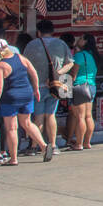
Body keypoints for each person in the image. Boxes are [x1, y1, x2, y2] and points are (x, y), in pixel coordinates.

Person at [0, 37, 49, 167]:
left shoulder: (0, 66)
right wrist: (36, 88)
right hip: (26, 94)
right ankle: (44, 146)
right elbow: (33, 72)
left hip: (10, 97)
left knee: (11, 128)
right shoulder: (20, 57)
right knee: (27, 123)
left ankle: (14, 158)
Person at [25, 19, 74, 158]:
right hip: (55, 86)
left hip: (37, 86)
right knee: (51, 115)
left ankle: (35, 146)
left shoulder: (31, 45)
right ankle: (53, 145)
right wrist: (56, 74)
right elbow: (70, 63)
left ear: (38, 32)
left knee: (38, 117)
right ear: (53, 31)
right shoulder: (61, 44)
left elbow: (25, 64)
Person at [67, 33, 99, 151]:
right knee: (88, 116)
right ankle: (87, 142)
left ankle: (79, 143)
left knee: (80, 117)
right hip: (91, 86)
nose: (78, 40)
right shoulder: (91, 56)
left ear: (84, 42)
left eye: (80, 38)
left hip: (80, 86)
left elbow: (73, 75)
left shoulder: (79, 56)